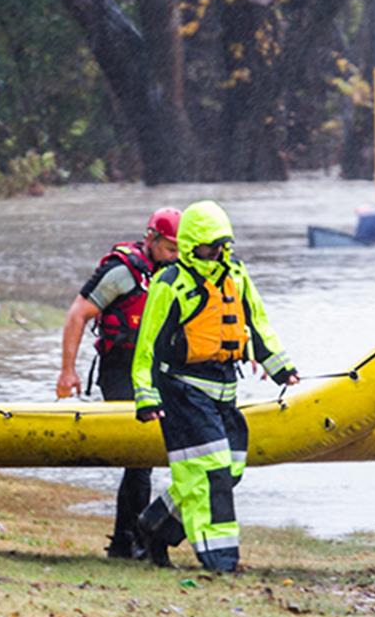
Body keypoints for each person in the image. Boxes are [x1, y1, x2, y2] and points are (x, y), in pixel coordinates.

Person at [131, 200, 299, 572]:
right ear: (191, 244)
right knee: (211, 473)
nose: (218, 253)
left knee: (231, 467)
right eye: (210, 246)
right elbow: (148, 345)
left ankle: (154, 525)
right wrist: (147, 396)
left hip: (224, 389)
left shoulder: (235, 275)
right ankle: (220, 559)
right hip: (184, 393)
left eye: (223, 245)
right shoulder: (171, 283)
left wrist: (282, 368)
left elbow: (257, 323)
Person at [55, 208, 181, 559]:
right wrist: (68, 371)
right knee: (139, 456)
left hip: (157, 370)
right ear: (151, 239)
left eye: (179, 249)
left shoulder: (175, 272)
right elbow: (77, 313)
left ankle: (126, 541)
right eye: (170, 248)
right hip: (120, 369)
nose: (175, 256)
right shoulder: (122, 272)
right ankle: (133, 541)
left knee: (143, 460)